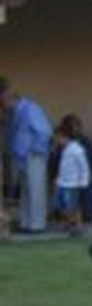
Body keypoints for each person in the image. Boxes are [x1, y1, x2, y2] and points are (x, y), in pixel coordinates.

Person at [2, 75, 53, 233]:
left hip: (34, 155)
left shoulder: (30, 109)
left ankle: (37, 225)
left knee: (36, 189)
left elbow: (44, 131)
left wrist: (34, 150)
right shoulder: (15, 112)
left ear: (8, 98)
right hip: (22, 157)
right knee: (26, 191)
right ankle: (26, 223)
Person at [51, 116, 92, 234]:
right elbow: (63, 168)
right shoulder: (64, 150)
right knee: (61, 205)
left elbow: (84, 167)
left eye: (57, 138)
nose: (56, 141)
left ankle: (77, 225)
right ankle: (69, 223)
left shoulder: (77, 150)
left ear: (64, 137)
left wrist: (84, 181)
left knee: (73, 206)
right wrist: (58, 179)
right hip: (62, 182)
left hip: (73, 183)